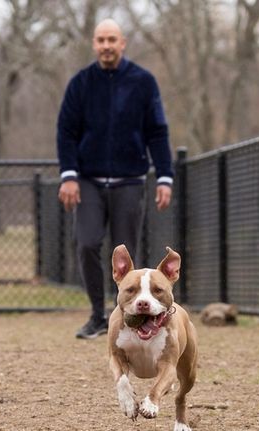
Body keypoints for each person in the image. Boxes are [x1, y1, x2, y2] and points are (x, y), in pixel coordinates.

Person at [56, 19, 174, 339]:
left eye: (112, 40)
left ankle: (126, 315)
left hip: (130, 180)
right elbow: (66, 132)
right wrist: (68, 175)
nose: (106, 45)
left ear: (123, 44)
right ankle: (97, 314)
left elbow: (157, 132)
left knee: (127, 257)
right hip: (89, 180)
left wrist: (164, 176)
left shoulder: (143, 82)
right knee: (87, 243)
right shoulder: (80, 84)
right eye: (101, 40)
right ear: (94, 44)